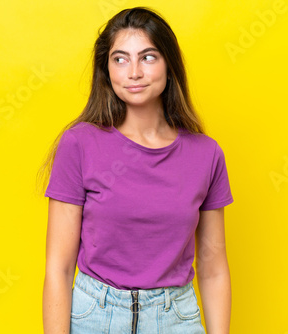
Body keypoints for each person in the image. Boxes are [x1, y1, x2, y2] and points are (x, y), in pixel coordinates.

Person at [39, 6, 234, 334]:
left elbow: (214, 269)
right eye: (120, 59)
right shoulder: (79, 145)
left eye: (147, 57)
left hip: (175, 318)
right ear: (107, 70)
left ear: (169, 65)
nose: (133, 72)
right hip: (94, 317)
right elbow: (58, 268)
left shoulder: (206, 154)